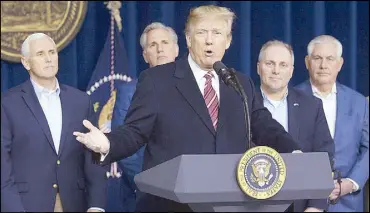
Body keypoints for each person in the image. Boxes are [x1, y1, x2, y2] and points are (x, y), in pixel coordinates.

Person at [73, 5, 302, 212]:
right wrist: (107, 143)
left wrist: (294, 151)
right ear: (189, 39)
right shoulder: (157, 80)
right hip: (170, 205)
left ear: (228, 40)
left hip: (231, 203)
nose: (210, 41)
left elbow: (262, 123)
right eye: (202, 33)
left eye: (218, 33)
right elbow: (135, 131)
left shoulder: (239, 83)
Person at [1, 33, 107, 212]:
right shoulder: (8, 103)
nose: (49, 59)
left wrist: (96, 206)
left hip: (75, 204)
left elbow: (93, 157)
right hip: (27, 206)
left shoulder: (81, 101)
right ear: (26, 62)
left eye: (52, 52)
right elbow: (3, 167)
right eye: (40, 54)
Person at [106, 22, 179, 212]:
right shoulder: (129, 91)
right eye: (153, 45)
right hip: (146, 196)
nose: (160, 49)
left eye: (165, 42)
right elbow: (124, 145)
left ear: (176, 49)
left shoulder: (196, 91)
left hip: (190, 193)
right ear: (145, 54)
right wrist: (155, 184)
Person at [256, 40, 335, 212]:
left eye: (283, 65)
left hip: (300, 205)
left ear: (291, 71)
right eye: (270, 63)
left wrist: (315, 206)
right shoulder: (243, 104)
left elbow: (324, 158)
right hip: (252, 203)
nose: (276, 70)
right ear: (258, 67)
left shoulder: (312, 106)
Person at [296, 35, 369, 212]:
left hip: (348, 203)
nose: (323, 65)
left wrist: (351, 183)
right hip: (303, 202)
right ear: (307, 62)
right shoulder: (291, 99)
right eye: (317, 58)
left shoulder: (358, 102)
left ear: (340, 63)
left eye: (330, 59)